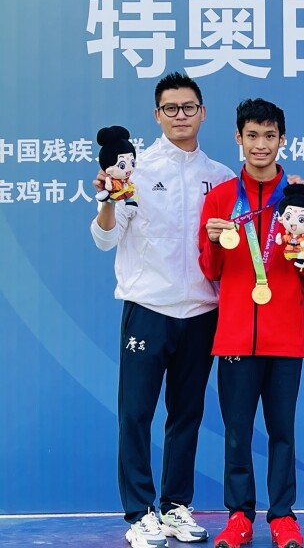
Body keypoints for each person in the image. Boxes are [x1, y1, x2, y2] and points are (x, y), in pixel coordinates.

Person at [90, 72, 235, 548]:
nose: (180, 116)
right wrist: (108, 201)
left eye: (188, 107)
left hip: (201, 311)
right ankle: (139, 513)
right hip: (148, 308)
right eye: (170, 108)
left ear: (203, 113)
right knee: (136, 413)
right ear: (156, 115)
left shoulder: (223, 178)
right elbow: (105, 238)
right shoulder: (134, 170)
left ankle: (175, 507)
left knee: (187, 414)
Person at [199, 98, 304, 548]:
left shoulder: (298, 198)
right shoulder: (219, 198)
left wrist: (303, 245)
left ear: (281, 140)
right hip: (234, 335)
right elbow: (210, 269)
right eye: (252, 135)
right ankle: (239, 515)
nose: (260, 145)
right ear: (238, 138)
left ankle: (283, 515)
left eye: (269, 136)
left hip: (285, 337)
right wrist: (215, 240)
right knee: (236, 433)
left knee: (282, 432)